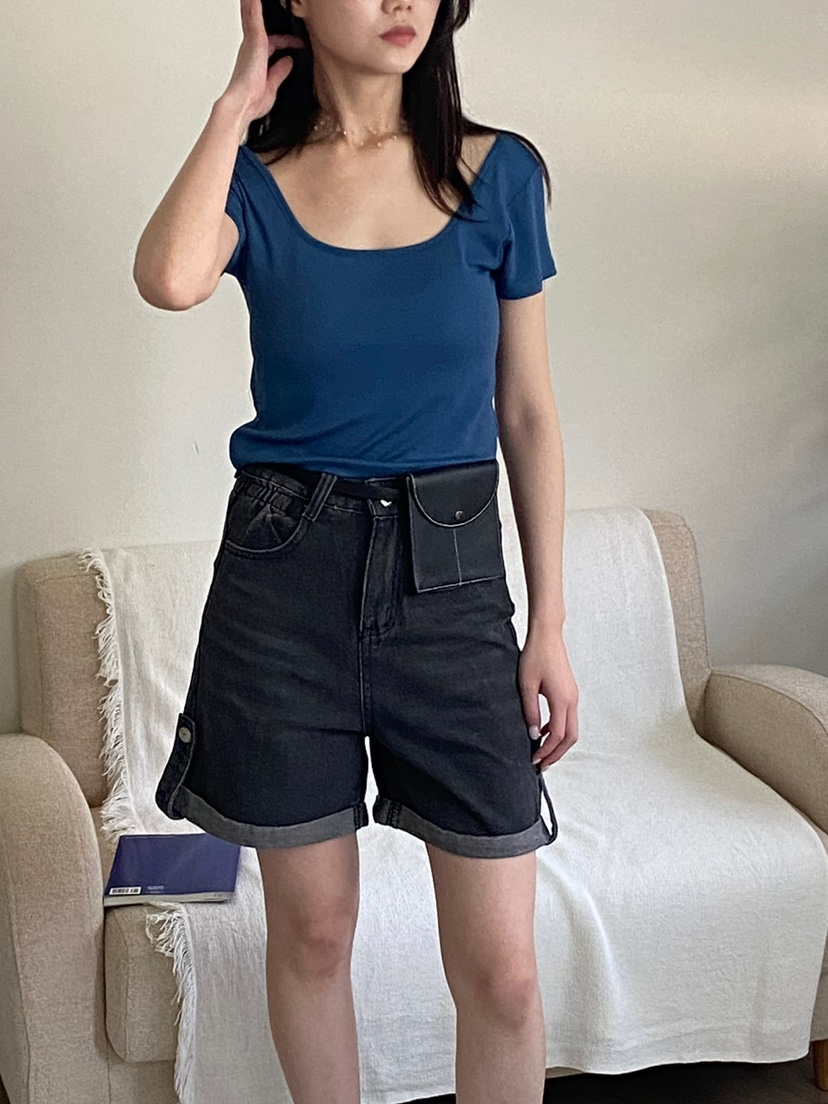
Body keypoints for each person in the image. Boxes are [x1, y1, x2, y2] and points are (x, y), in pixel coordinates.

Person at [135, 0, 580, 1100]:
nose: (401, 2)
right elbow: (171, 277)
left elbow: (527, 412)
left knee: (505, 973)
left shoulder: (500, 175)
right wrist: (236, 105)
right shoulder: (252, 178)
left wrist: (551, 624)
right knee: (313, 933)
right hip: (284, 580)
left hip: (455, 579)